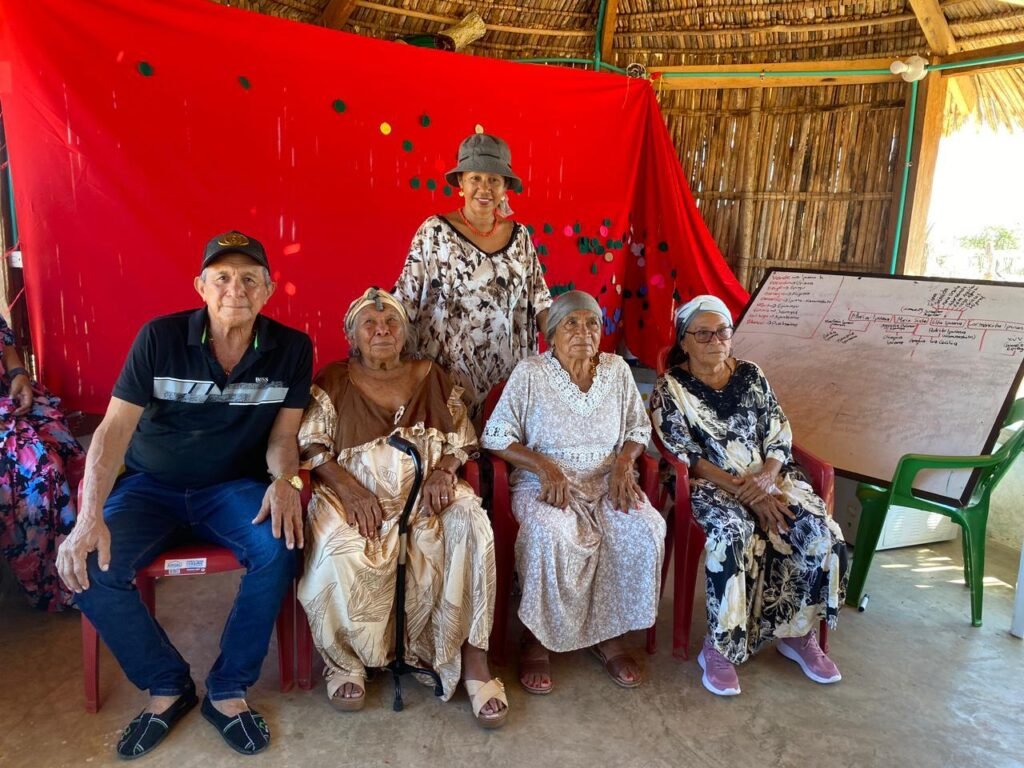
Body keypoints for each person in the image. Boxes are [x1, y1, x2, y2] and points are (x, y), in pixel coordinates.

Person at [56, 231, 312, 758]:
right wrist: (89, 514)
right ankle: (167, 685)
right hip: (151, 488)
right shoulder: (160, 338)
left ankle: (227, 690)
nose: (234, 289)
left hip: (232, 488)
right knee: (89, 564)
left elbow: (283, 438)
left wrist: (286, 483)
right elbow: (113, 431)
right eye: (222, 278)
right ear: (201, 286)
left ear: (268, 288)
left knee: (280, 549)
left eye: (248, 278)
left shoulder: (291, 348)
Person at [297, 287, 507, 728]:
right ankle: (346, 661)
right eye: (369, 324)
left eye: (391, 322)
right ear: (353, 336)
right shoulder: (333, 378)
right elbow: (312, 445)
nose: (381, 330)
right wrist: (350, 490)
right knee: (340, 548)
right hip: (354, 495)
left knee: (472, 524)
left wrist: (446, 470)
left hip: (429, 493)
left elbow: (465, 439)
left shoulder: (431, 374)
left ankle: (472, 659)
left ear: (405, 332)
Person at [649, 294, 848, 697]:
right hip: (711, 486)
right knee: (733, 533)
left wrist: (768, 480)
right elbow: (687, 456)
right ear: (683, 341)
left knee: (820, 531)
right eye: (702, 333)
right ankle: (719, 647)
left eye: (722, 331)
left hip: (769, 480)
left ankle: (798, 633)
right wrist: (746, 492)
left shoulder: (753, 375)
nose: (714, 340)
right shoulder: (670, 389)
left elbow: (779, 433)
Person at [481, 291, 665, 694]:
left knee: (644, 528)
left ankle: (608, 633)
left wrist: (624, 461)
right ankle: (538, 636)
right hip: (546, 486)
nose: (583, 332)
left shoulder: (616, 371)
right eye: (571, 324)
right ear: (551, 333)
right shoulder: (531, 373)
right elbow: (495, 437)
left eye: (592, 324)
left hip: (607, 481)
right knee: (553, 535)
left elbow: (638, 428)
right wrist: (543, 466)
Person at [393, 133, 552, 420]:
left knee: (501, 458)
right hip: (446, 377)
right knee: (454, 457)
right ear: (461, 183)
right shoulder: (434, 232)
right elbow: (405, 300)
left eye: (494, 180)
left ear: (505, 188)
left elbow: (541, 302)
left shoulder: (520, 238)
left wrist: (566, 343)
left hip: (507, 379)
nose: (485, 188)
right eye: (476, 178)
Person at [0, 314, 85, 611]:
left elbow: (10, 355)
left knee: (73, 456)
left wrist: (20, 378)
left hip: (9, 399)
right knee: (41, 470)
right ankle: (59, 585)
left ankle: (97, 563)